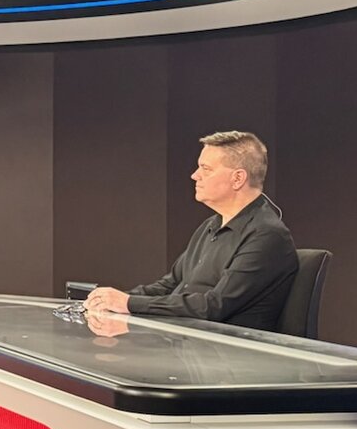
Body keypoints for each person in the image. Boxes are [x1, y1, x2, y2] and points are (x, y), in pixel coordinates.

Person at [84, 130, 298, 330]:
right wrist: (109, 301)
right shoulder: (210, 226)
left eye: (206, 169)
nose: (195, 175)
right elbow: (170, 285)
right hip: (187, 341)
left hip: (226, 350)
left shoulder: (267, 235)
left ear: (238, 178)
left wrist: (129, 303)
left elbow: (214, 306)